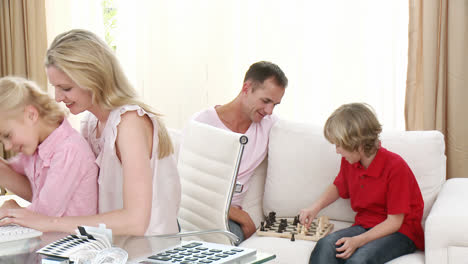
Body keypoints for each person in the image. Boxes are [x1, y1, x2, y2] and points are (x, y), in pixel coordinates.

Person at [0, 29, 181, 236]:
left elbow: (135, 223)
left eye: (66, 88)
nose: (58, 98)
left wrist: (47, 221)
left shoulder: (129, 124)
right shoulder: (91, 124)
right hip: (109, 246)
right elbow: (57, 194)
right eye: (55, 88)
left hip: (146, 252)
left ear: (94, 77)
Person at [299, 103, 424, 264]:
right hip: (365, 225)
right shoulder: (349, 161)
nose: (337, 150)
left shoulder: (395, 167)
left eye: (339, 145)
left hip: (400, 232)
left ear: (356, 144)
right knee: (325, 245)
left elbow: (394, 222)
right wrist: (314, 208)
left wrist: (358, 241)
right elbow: (339, 186)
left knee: (358, 260)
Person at [191, 61, 288, 244]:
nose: (269, 111)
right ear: (246, 88)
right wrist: (242, 216)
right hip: (196, 211)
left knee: (227, 247)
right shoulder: (202, 123)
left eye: (275, 104)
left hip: (226, 222)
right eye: (266, 101)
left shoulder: (269, 125)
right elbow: (187, 187)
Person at [0, 76, 98, 217]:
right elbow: (10, 169)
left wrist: (11, 208)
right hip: (50, 235)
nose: (7, 147)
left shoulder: (69, 150)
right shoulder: (35, 148)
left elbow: (46, 212)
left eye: (8, 135)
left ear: (31, 115)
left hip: (74, 238)